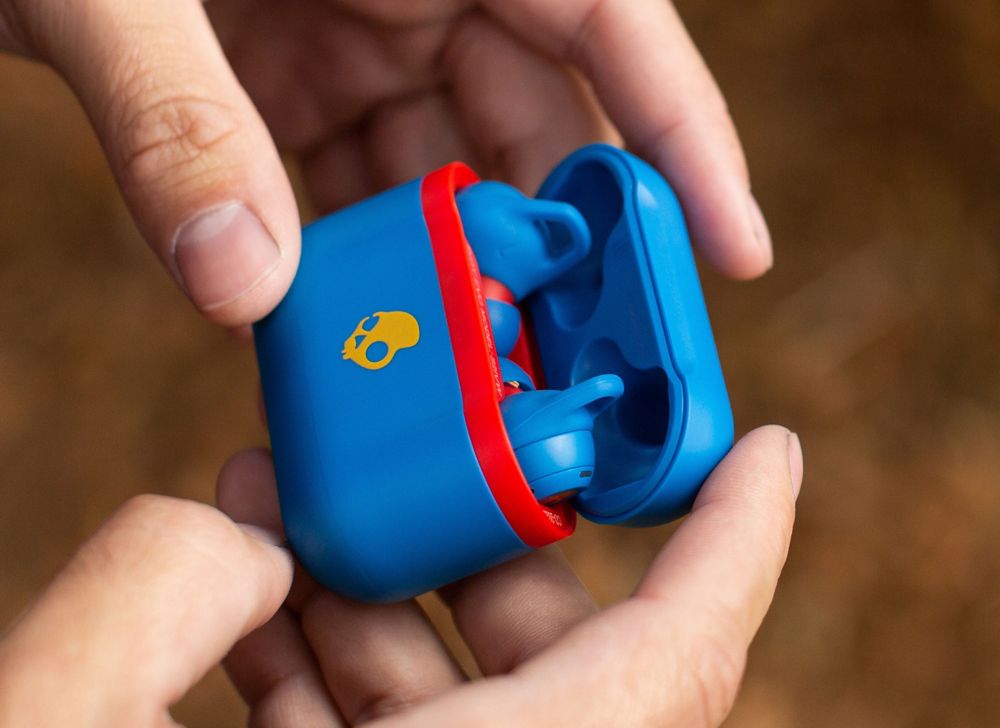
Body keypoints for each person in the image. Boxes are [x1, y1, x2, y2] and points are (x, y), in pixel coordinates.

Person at [0, 1, 802, 725]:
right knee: (532, 436)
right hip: (492, 414)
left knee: (527, 427)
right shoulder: (526, 410)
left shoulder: (507, 271)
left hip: (491, 401)